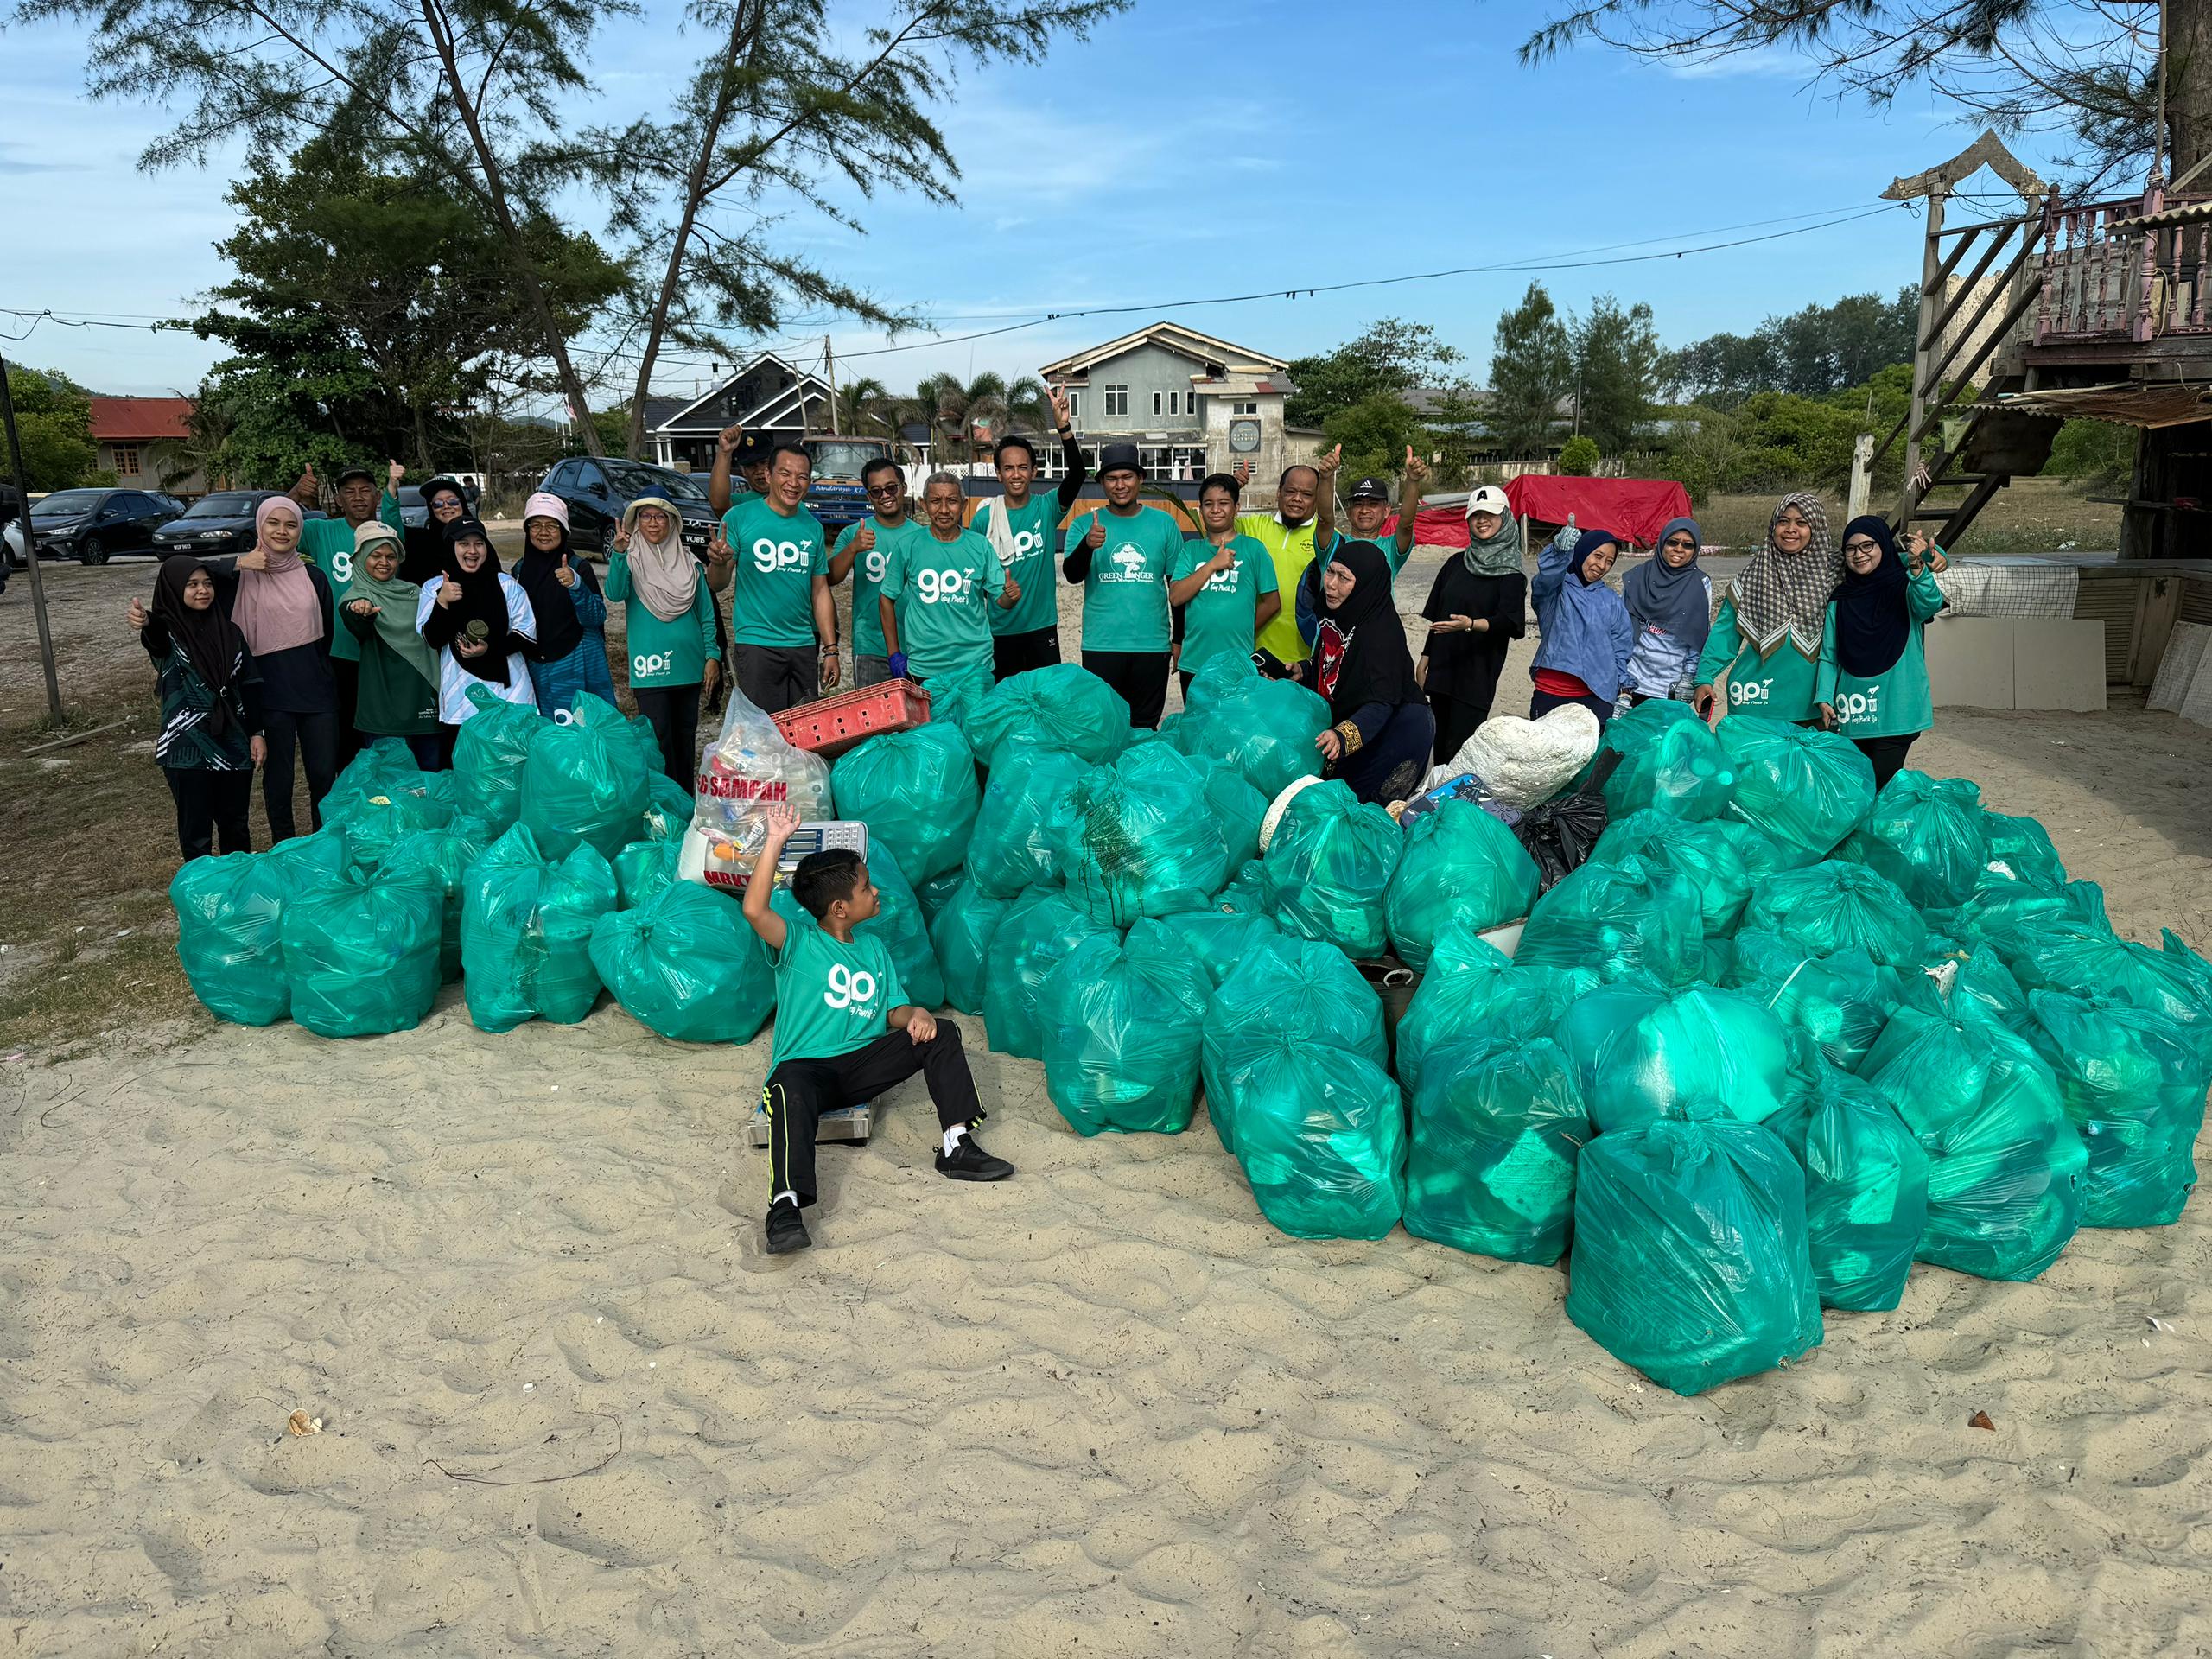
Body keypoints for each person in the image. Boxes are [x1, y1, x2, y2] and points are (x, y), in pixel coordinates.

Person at [744, 801, 1014, 1255]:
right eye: (866, 888)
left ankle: (956, 1145)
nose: (875, 892)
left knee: (943, 1033)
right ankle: (785, 1207)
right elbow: (754, 910)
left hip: (860, 1069)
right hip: (806, 1072)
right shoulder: (798, 943)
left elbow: (894, 1011)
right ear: (839, 908)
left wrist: (918, 1016)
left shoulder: (872, 948)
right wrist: (775, 839)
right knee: (788, 1083)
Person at [130, 556, 264, 860]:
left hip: (234, 743)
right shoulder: (169, 634)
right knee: (196, 833)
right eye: (191, 585)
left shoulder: (231, 633)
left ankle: (238, 893)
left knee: (236, 827)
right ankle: (201, 900)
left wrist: (257, 732)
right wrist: (148, 621)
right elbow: (156, 638)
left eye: (206, 583)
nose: (202, 590)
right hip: (185, 748)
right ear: (174, 590)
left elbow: (250, 684)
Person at [227, 495, 340, 840]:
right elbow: (182, 574)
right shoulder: (240, 578)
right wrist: (237, 563)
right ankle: (284, 845)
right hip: (267, 689)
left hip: (314, 687)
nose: (282, 531)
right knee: (279, 777)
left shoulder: (314, 577)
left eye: (291, 524)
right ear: (259, 526)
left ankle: (323, 843)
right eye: (273, 523)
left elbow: (327, 633)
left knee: (323, 773)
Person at [1294, 538, 1435, 804]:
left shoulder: (1380, 636)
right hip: (1360, 726)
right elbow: (1333, 664)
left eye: (1344, 578)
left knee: (1363, 806)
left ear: (1366, 585)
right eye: (1330, 572)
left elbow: (1381, 701)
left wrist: (1342, 735)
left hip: (1396, 733)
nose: (1332, 584)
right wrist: (1302, 670)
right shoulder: (1338, 615)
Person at [1815, 517, 1950, 789]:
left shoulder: (1905, 586)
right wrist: (1824, 696)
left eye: (1868, 546)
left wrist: (1917, 563)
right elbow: (1829, 655)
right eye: (1851, 549)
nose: (1859, 554)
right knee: (1858, 788)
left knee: (1880, 784)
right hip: (1854, 710)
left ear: (1884, 548)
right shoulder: (1840, 600)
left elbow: (1929, 604)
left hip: (1898, 710)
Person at [1061, 442, 1181, 728]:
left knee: (1144, 726)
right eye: (1112, 479)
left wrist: (1178, 640)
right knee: (1105, 726)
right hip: (1102, 644)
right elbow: (1071, 575)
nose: (1120, 485)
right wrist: (1088, 546)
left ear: (1140, 478)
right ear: (1102, 482)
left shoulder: (1164, 524)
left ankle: (1139, 775)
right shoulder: (1083, 525)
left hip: (1151, 645)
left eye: (1127, 477)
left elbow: (1176, 587)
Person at [1695, 492, 1840, 724]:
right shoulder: (1753, 576)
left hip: (1816, 705)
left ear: (1817, 528)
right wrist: (1705, 677)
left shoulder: (1837, 573)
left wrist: (1916, 563)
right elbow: (1724, 634)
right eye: (1783, 521)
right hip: (1756, 702)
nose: (1791, 529)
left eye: (1801, 523)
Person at [295, 461, 404, 766]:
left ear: (376, 497)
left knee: (384, 737)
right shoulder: (320, 531)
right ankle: (349, 799)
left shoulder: (387, 533)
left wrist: (393, 486)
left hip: (381, 652)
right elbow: (274, 526)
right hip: (338, 654)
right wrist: (296, 494)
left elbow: (395, 522)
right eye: (349, 491)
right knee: (343, 737)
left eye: (365, 490)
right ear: (339, 498)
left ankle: (384, 799)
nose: (358, 497)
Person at [607, 496, 720, 787]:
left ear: (672, 522)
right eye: (646, 517)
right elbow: (615, 592)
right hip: (651, 669)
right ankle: (665, 806)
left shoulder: (691, 564)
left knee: (685, 738)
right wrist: (619, 554)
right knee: (657, 740)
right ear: (636, 522)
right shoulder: (630, 561)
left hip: (689, 666)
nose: (653, 523)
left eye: (660, 516)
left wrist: (712, 656)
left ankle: (685, 804)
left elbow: (706, 614)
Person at [717, 442, 837, 714]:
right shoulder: (739, 518)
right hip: (757, 645)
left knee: (803, 737)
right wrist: (718, 564)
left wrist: (831, 650)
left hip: (803, 646)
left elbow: (820, 591)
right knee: (762, 735)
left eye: (802, 476)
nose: (794, 483)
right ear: (769, 476)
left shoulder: (813, 528)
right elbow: (718, 582)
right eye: (785, 473)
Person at [977, 386, 1089, 679]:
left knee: (1045, 700)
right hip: (1000, 629)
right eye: (1009, 468)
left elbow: (1077, 475)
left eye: (1023, 467)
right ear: (998, 473)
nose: (1016, 474)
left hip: (1042, 628)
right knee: (1008, 704)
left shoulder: (1047, 508)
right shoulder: (984, 519)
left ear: (1033, 472)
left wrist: (1063, 426)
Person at [878, 474, 1019, 698]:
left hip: (975, 665)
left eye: (952, 501)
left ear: (963, 505)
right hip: (925, 667)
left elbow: (1002, 601)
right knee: (931, 732)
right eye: (936, 501)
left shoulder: (980, 545)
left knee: (976, 730)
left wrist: (1010, 595)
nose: (944, 510)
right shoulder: (908, 546)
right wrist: (894, 653)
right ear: (924, 505)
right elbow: (886, 597)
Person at [1417, 484, 1527, 766]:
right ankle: (1438, 803)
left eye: (1490, 514)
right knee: (1438, 746)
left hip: (1476, 673)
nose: (1482, 521)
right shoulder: (1455, 563)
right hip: (1443, 667)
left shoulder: (1511, 572)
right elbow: (1439, 615)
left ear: (1504, 518)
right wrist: (1425, 658)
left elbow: (1510, 622)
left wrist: (1472, 624)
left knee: (1462, 748)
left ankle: (1456, 804)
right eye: (1476, 514)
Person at [416, 517, 538, 763]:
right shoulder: (434, 587)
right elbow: (432, 638)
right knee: (466, 767)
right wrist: (443, 603)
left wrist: (490, 650)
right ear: (451, 547)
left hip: (510, 691)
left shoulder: (506, 585)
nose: (472, 551)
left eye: (479, 543)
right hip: (460, 694)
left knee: (513, 765)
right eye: (463, 543)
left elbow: (527, 635)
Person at [339, 522, 442, 767]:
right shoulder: (355, 597)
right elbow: (355, 618)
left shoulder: (415, 592)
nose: (384, 562)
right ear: (361, 558)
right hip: (384, 712)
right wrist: (361, 610)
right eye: (375, 555)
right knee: (391, 790)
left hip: (425, 701)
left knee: (429, 785)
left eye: (391, 556)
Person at [1168, 472, 1280, 693]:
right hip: (1195, 663)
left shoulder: (1253, 549)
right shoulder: (1191, 550)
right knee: (1197, 725)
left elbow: (1272, 602)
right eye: (1208, 504)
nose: (1216, 509)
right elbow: (1176, 595)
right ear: (1201, 510)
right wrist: (1212, 565)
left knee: (1235, 724)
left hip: (1237, 663)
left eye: (1224, 503)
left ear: (1236, 508)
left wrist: (1244, 625)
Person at [512, 492, 619, 718]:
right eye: (536, 525)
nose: (543, 532)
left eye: (552, 525)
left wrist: (575, 585)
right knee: (549, 736)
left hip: (578, 663)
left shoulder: (579, 567)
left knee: (582, 733)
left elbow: (596, 616)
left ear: (564, 530)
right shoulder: (520, 571)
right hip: (536, 667)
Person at [830, 459, 925, 689]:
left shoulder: (922, 536)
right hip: (870, 645)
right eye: (876, 491)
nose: (885, 495)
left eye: (891, 488)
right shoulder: (855, 533)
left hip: (918, 646)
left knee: (921, 722)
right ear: (869, 497)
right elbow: (831, 577)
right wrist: (853, 548)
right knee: (876, 722)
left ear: (903, 488)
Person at [1529, 525, 1633, 725]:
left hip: (1597, 697)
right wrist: (1559, 551)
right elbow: (1546, 576)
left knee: (1592, 755)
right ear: (1582, 551)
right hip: (1552, 691)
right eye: (1598, 555)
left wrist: (1623, 688)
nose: (1601, 565)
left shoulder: (1612, 600)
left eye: (1609, 561)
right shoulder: (1555, 590)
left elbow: (1621, 648)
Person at [1231, 456, 1325, 667]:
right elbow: (1215, 522)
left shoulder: (1326, 539)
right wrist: (1231, 486)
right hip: (1251, 650)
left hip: (1302, 659)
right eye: (1291, 491)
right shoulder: (1252, 527)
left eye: (1307, 494)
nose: (1297, 499)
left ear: (1317, 499)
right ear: (1279, 493)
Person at [1621, 516, 1713, 704]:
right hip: (1632, 681)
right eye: (1672, 542)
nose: (1678, 549)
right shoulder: (1637, 578)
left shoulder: (1700, 584)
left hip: (1672, 686)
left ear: (1695, 551)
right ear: (1662, 543)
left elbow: (1699, 635)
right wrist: (1621, 678)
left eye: (1687, 545)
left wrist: (1689, 678)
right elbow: (1621, 630)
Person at [1312, 445, 1426, 575]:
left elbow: (1406, 525)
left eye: (1373, 504)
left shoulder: (1391, 549)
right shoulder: (1333, 546)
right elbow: (1325, 520)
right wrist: (1326, 478)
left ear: (1386, 511)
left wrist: (1413, 481)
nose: (1365, 510)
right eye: (1358, 504)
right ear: (1349, 512)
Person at [391, 471, 472, 586]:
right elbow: (393, 526)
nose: (446, 506)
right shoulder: (418, 540)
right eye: (438, 503)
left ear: (462, 503)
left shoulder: (477, 537)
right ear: (431, 508)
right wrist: (392, 488)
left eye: (452, 501)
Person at [706, 422, 775, 516]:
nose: (759, 471)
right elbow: (719, 505)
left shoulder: (794, 498)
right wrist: (724, 452)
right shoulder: (741, 504)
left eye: (764, 463)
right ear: (743, 470)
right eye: (751, 466)